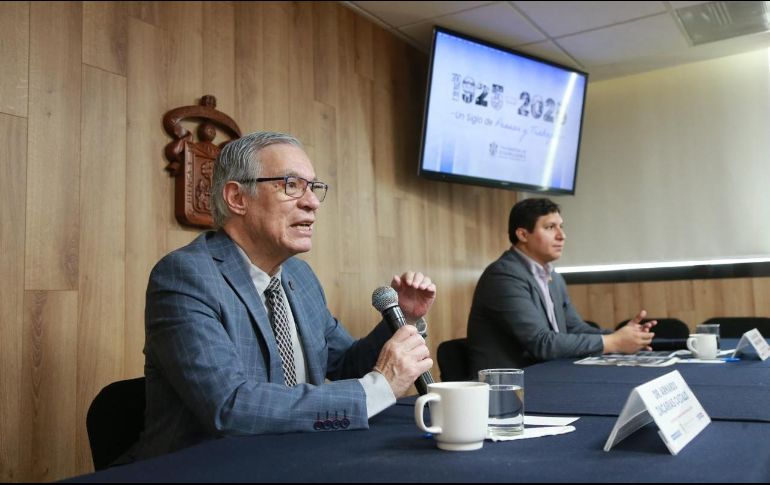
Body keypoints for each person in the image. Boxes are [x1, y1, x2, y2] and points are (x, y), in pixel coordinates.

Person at [125, 131, 435, 462]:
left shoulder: (300, 277)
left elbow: (347, 365)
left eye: (313, 187)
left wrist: (402, 319)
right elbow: (230, 406)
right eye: (291, 185)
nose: (312, 202)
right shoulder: (186, 276)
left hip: (301, 459)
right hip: (205, 468)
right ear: (237, 197)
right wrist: (377, 386)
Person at [467, 198, 655, 373]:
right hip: (511, 387)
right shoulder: (504, 276)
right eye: (550, 227)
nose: (562, 235)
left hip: (547, 374)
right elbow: (541, 343)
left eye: (561, 227)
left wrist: (625, 336)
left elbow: (575, 329)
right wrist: (613, 342)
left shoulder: (553, 277)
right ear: (523, 234)